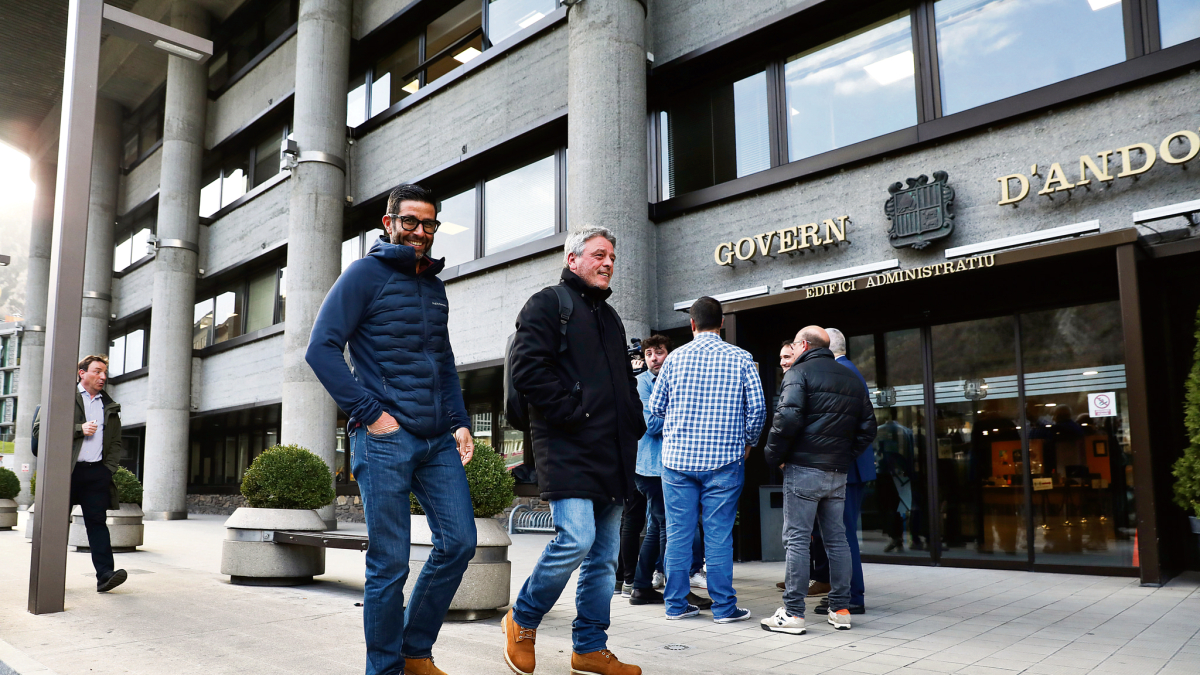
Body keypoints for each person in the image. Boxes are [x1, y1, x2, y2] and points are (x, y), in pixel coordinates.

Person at [306, 183, 476, 675]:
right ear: (389, 223)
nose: (420, 231)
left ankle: (414, 652)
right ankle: (384, 669)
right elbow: (320, 348)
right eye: (410, 221)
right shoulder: (364, 274)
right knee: (390, 563)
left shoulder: (433, 286)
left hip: (436, 439)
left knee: (460, 543)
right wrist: (371, 413)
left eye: (429, 223)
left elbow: (443, 361)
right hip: (385, 438)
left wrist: (460, 422)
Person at [504, 226, 645, 675]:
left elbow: (625, 380)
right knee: (576, 539)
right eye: (599, 255)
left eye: (612, 257)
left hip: (614, 451)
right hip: (567, 445)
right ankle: (523, 619)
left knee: (604, 558)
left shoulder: (611, 317)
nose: (608, 263)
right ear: (573, 259)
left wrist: (635, 419)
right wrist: (572, 412)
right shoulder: (548, 304)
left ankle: (589, 647)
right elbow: (528, 369)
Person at [649, 297, 766, 623]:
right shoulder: (741, 358)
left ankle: (675, 606)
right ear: (722, 323)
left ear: (692, 324)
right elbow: (757, 409)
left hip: (677, 461)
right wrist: (748, 441)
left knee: (678, 534)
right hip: (724, 460)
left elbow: (656, 407)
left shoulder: (674, 359)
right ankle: (724, 608)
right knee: (719, 535)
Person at [761, 326, 876, 635]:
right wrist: (844, 455)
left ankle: (793, 613)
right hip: (837, 471)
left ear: (803, 345)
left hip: (803, 469)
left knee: (797, 540)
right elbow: (868, 427)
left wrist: (773, 456)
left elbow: (786, 418)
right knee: (837, 540)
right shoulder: (851, 377)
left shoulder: (799, 373)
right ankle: (841, 609)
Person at [627, 336, 714, 610]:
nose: (654, 358)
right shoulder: (642, 383)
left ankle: (641, 587)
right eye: (648, 354)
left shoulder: (676, 380)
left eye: (659, 352)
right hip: (651, 468)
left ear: (670, 354)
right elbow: (651, 424)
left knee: (657, 527)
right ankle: (678, 592)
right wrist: (685, 414)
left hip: (668, 465)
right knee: (670, 527)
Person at [32, 355, 128, 593]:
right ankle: (50, 576)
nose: (103, 377)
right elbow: (40, 431)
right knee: (56, 524)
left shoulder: (109, 405)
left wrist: (108, 470)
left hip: (96, 473)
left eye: (105, 372)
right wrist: (78, 429)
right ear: (82, 373)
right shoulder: (61, 397)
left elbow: (115, 442)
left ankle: (105, 575)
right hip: (65, 472)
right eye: (97, 371)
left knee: (97, 524)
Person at [808, 328, 876, 616]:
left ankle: (851, 597)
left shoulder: (842, 373)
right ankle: (847, 594)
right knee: (842, 535)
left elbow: (854, 425)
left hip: (849, 468)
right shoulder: (850, 370)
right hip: (853, 467)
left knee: (843, 536)